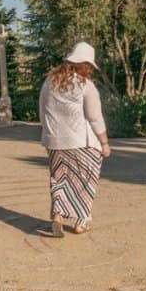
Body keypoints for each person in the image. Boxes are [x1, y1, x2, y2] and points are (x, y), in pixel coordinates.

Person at [39, 42, 111, 237]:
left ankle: (57, 217)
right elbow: (94, 117)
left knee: (58, 179)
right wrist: (104, 143)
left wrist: (47, 137)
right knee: (86, 180)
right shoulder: (85, 86)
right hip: (80, 142)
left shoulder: (49, 81)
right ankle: (81, 222)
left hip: (54, 141)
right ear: (85, 64)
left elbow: (43, 111)